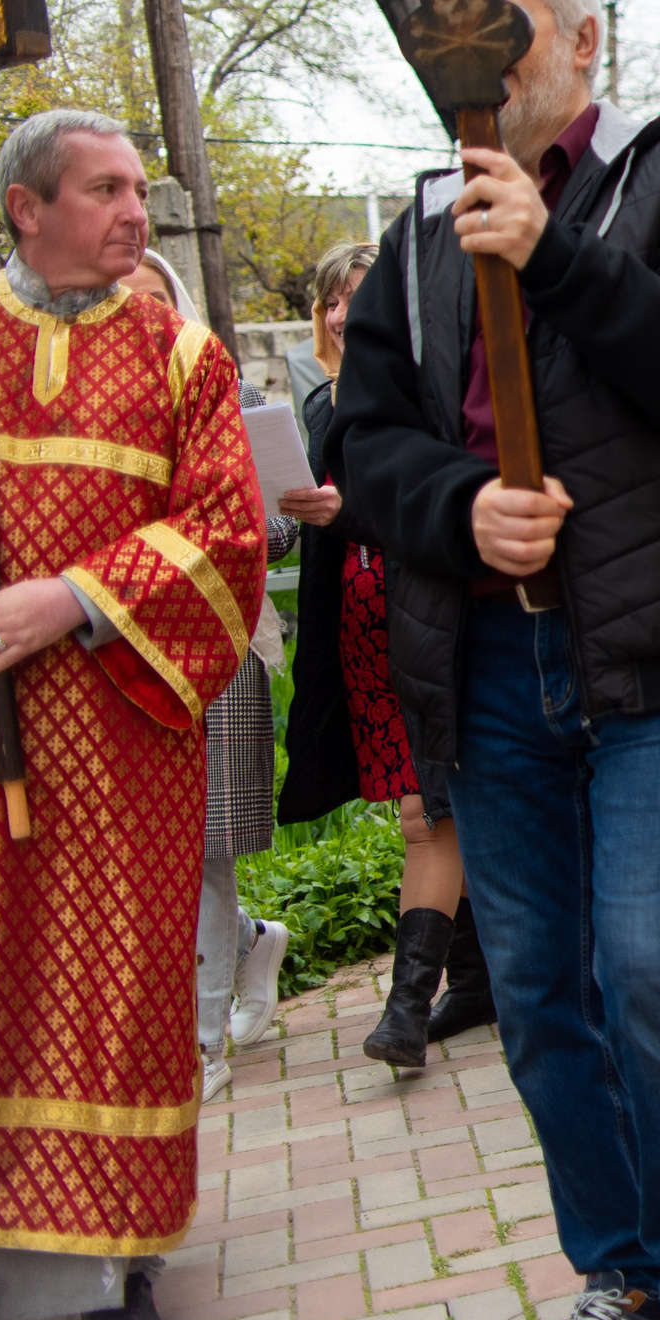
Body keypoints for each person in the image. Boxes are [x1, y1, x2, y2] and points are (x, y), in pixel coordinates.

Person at [329, 0, 660, 1320]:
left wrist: (555, 253)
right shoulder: (413, 233)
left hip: (648, 642)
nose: (479, 60)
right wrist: (465, 511)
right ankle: (619, 1259)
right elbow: (367, 439)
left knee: (646, 957)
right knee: (533, 984)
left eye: (506, 30)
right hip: (483, 654)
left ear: (585, 45)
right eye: (452, 37)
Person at [0, 109, 264, 1317]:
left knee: (115, 985)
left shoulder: (183, 357)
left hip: (124, 741)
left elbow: (231, 538)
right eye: (103, 190)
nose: (136, 213)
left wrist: (73, 597)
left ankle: (111, 1258)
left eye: (138, 188)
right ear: (26, 210)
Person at [281, 240, 495, 1066]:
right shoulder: (319, 404)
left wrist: (350, 511)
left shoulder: (427, 389)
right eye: (330, 300)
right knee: (431, 805)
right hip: (361, 628)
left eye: (357, 298)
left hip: (426, 612)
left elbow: (431, 507)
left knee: (427, 809)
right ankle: (477, 980)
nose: (340, 314)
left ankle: (407, 1008)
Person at [125, 251, 297, 1103]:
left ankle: (201, 1043)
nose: (140, 316)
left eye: (155, 300)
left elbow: (279, 532)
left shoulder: (233, 402)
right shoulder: (90, 416)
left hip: (217, 650)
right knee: (138, 849)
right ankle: (252, 939)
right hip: (116, 653)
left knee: (201, 847)